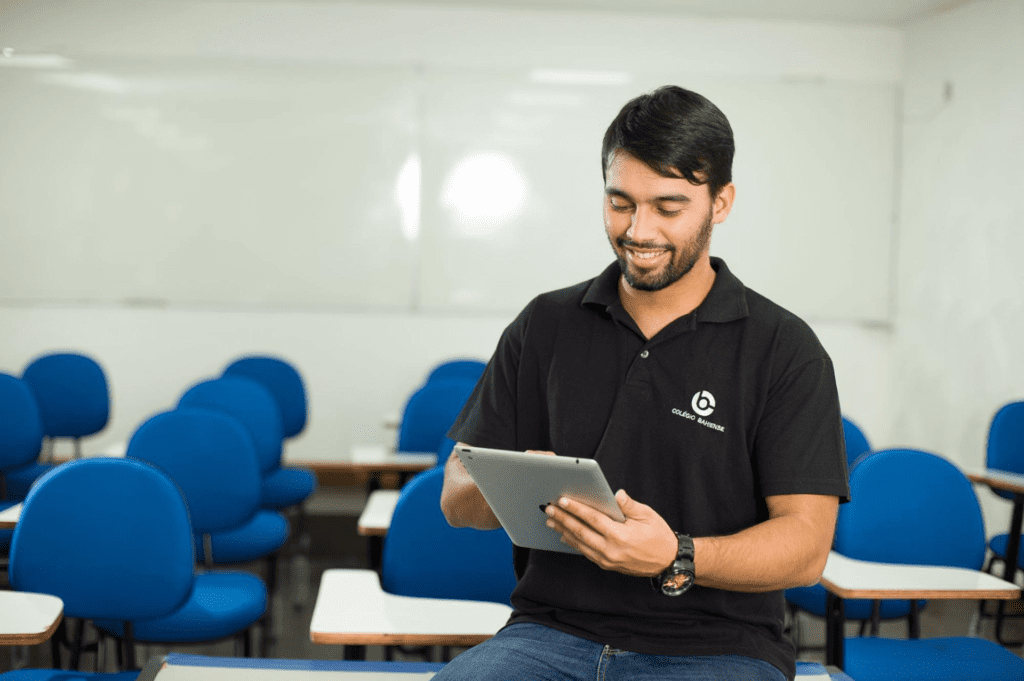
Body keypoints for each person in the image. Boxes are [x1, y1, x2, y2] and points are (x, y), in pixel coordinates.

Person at [437, 85, 849, 681]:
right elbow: (456, 501)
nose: (639, 229)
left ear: (721, 202)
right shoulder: (544, 325)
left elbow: (807, 549)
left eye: (668, 206)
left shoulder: (785, 350)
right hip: (549, 634)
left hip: (719, 648)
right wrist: (516, 484)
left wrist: (675, 555)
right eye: (620, 202)